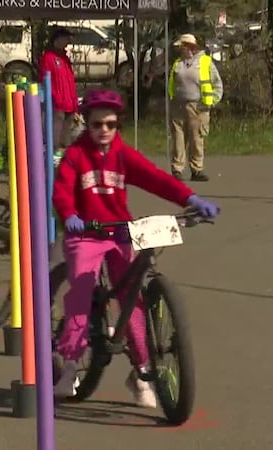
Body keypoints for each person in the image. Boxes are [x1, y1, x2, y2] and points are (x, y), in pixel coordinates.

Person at [51, 89, 220, 407]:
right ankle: (70, 365)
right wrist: (69, 214)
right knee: (81, 293)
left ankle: (142, 371)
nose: (104, 130)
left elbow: (155, 178)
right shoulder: (75, 155)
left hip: (119, 232)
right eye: (97, 124)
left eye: (111, 124)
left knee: (132, 298)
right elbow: (61, 191)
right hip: (85, 233)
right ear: (86, 124)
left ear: (118, 125)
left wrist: (190, 198)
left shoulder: (122, 154)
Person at [167, 33, 223, 182]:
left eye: (183, 47)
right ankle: (177, 169)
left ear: (191, 47)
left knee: (196, 138)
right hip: (178, 106)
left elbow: (217, 84)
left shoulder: (205, 62)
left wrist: (212, 101)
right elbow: (172, 83)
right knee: (178, 139)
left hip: (197, 106)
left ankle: (196, 169)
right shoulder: (178, 63)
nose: (180, 49)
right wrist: (171, 99)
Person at [39, 27, 78, 165]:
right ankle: (52, 162)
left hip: (69, 105)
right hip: (57, 105)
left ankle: (63, 162)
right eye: (66, 38)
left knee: (66, 139)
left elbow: (70, 81)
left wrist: (74, 101)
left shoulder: (65, 58)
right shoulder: (48, 58)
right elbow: (45, 81)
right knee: (54, 137)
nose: (68, 41)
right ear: (57, 39)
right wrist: (54, 98)